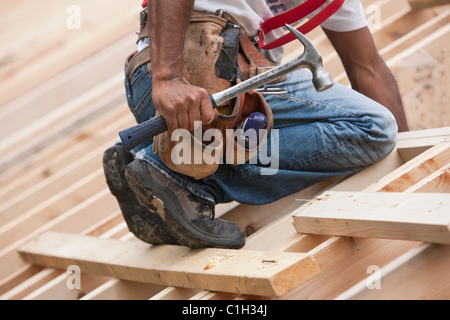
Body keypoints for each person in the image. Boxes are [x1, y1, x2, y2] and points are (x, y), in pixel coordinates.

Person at [103, 0, 405, 249]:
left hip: (151, 89)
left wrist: (408, 164)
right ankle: (178, 176)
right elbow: (368, 69)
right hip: (187, 78)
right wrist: (168, 80)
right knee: (373, 127)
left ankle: (148, 159)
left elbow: (368, 67)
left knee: (347, 127)